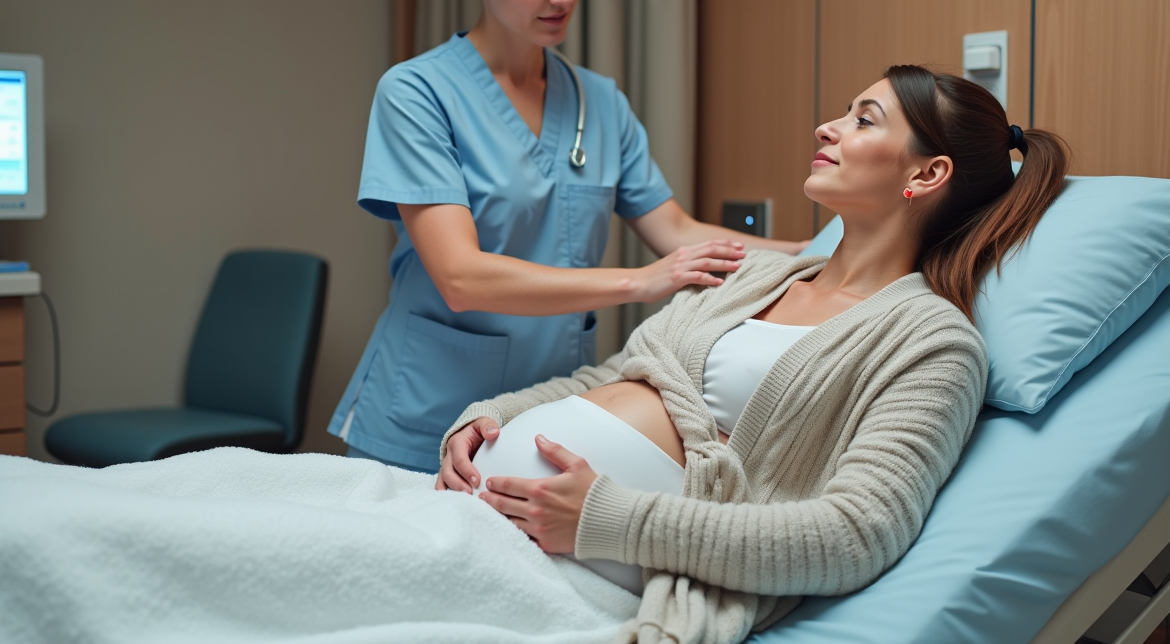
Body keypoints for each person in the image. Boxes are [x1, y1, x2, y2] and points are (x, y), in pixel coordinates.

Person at [436, 65, 1070, 641]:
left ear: (926, 173)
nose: (828, 126)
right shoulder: (758, 276)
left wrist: (611, 520)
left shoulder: (931, 342)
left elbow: (857, 533)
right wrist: (490, 415)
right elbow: (614, 377)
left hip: (595, 553)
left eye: (863, 120)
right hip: (495, 508)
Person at [329, 0, 805, 472]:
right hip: (423, 412)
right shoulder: (418, 94)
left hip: (536, 412)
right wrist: (641, 281)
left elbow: (679, 233)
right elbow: (461, 276)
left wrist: (822, 251)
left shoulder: (599, 102)